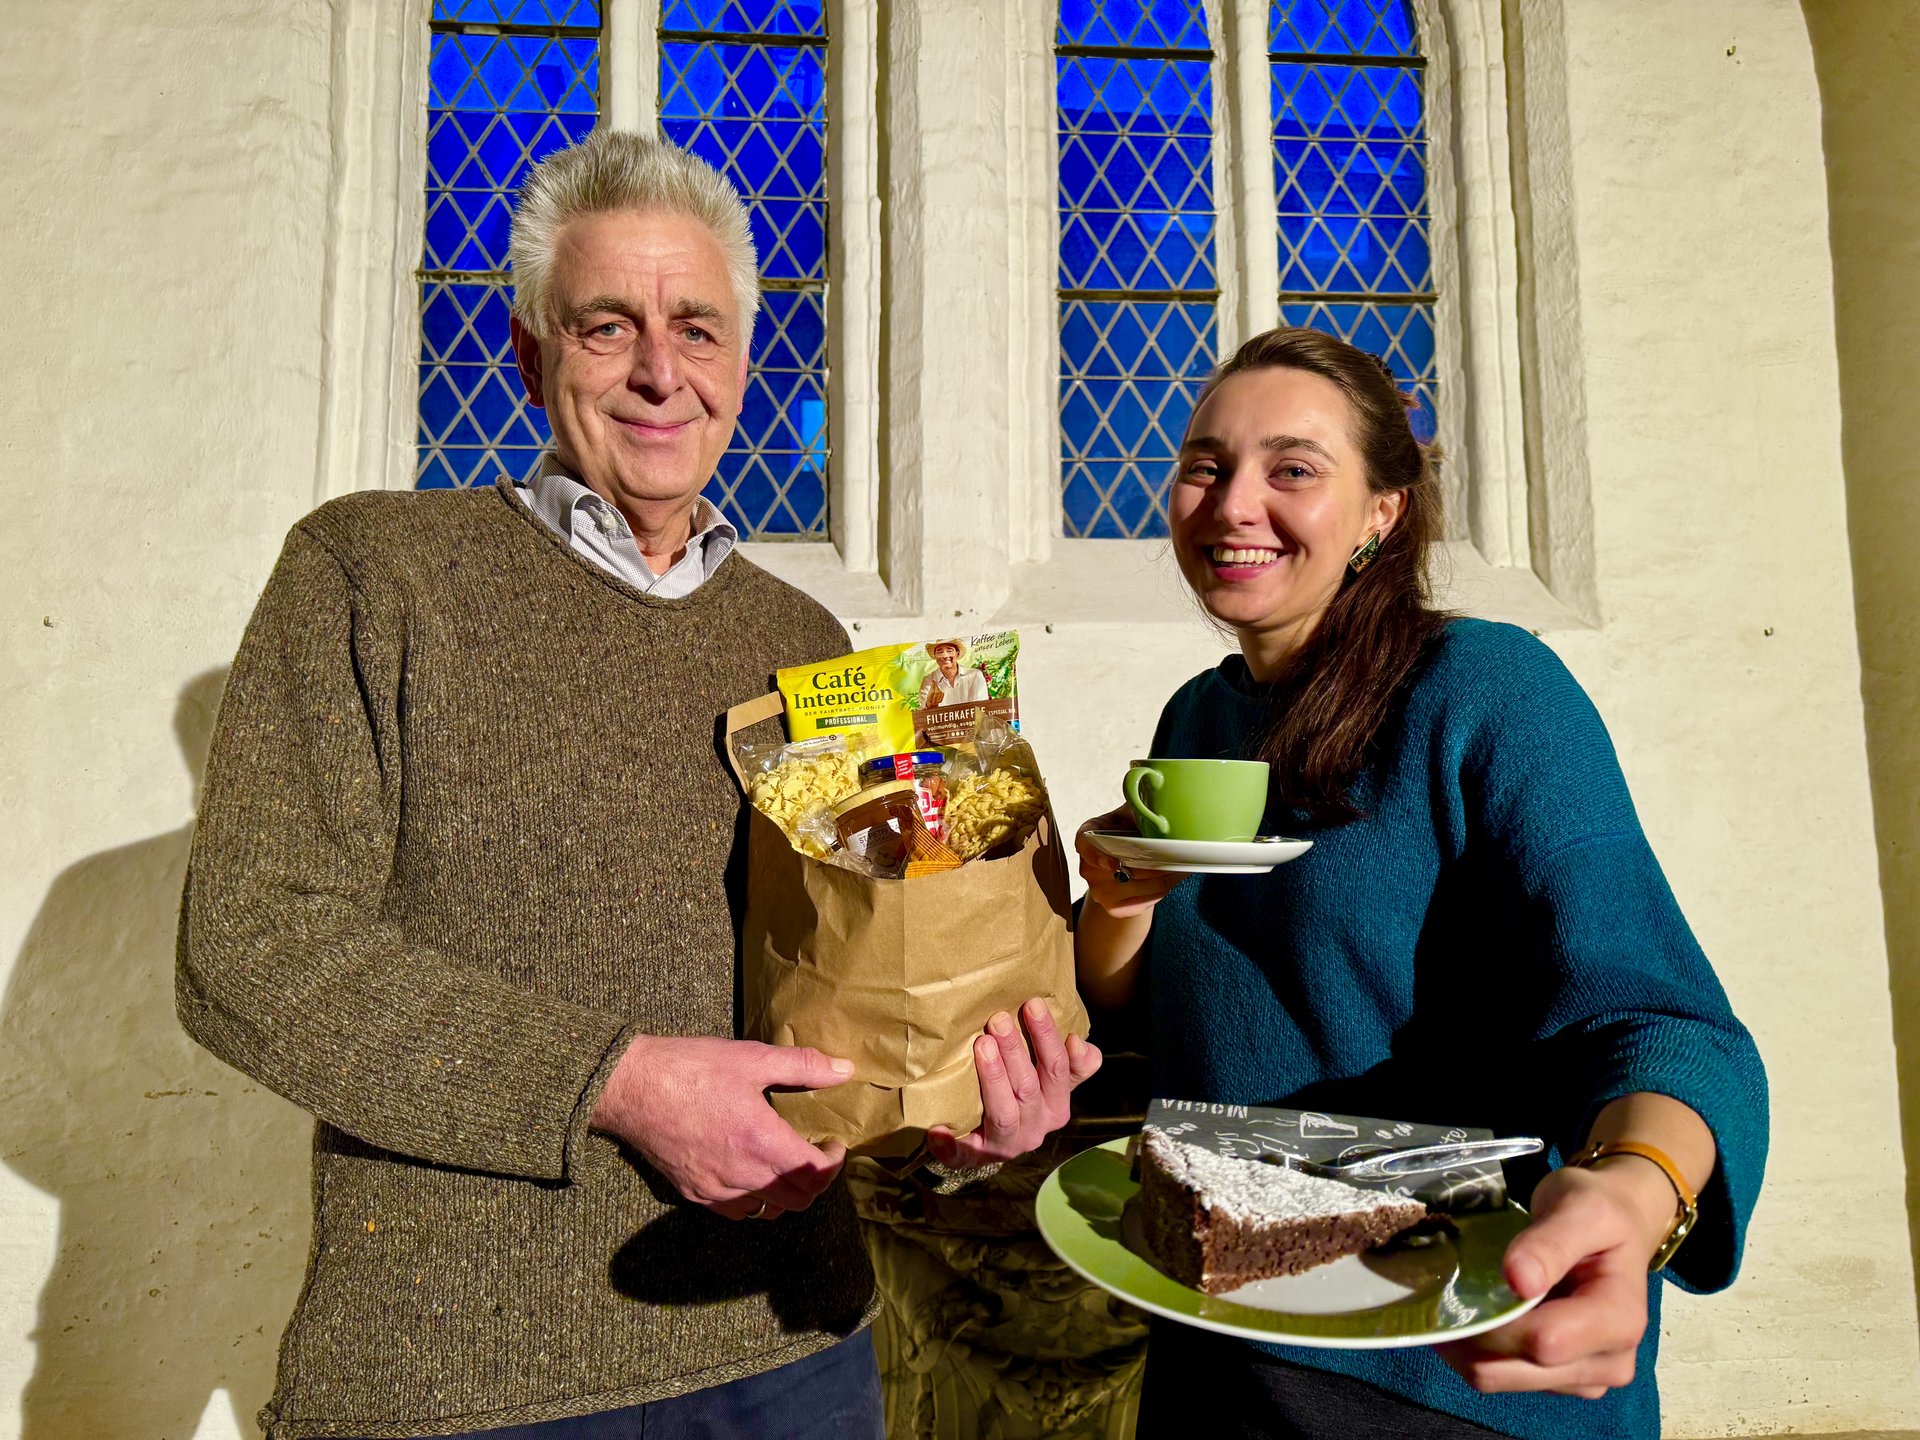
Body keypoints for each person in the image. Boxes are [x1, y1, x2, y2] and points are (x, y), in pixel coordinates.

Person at [176, 129, 1098, 1440]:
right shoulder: (373, 572)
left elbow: (853, 993)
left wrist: (954, 1113)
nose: (661, 371)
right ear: (529, 354)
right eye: (608, 327)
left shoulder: (808, 648)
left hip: (793, 1348)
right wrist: (617, 1083)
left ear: (743, 365)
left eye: (699, 329)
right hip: (460, 1378)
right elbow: (251, 952)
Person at [1074, 327, 1767, 1439]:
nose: (1233, 502)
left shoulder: (1488, 691)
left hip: (1440, 1364)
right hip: (1218, 1332)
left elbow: (1653, 1016)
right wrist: (1115, 903)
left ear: (1383, 512)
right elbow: (1175, 1019)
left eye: (1292, 469)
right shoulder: (1199, 719)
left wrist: (1635, 1193)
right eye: (1206, 464)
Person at [918, 638, 991, 708]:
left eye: (949, 651)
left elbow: (982, 707)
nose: (945, 656)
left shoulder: (975, 675)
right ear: (935, 656)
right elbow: (924, 712)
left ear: (957, 654)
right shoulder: (928, 680)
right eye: (940, 652)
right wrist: (930, 705)